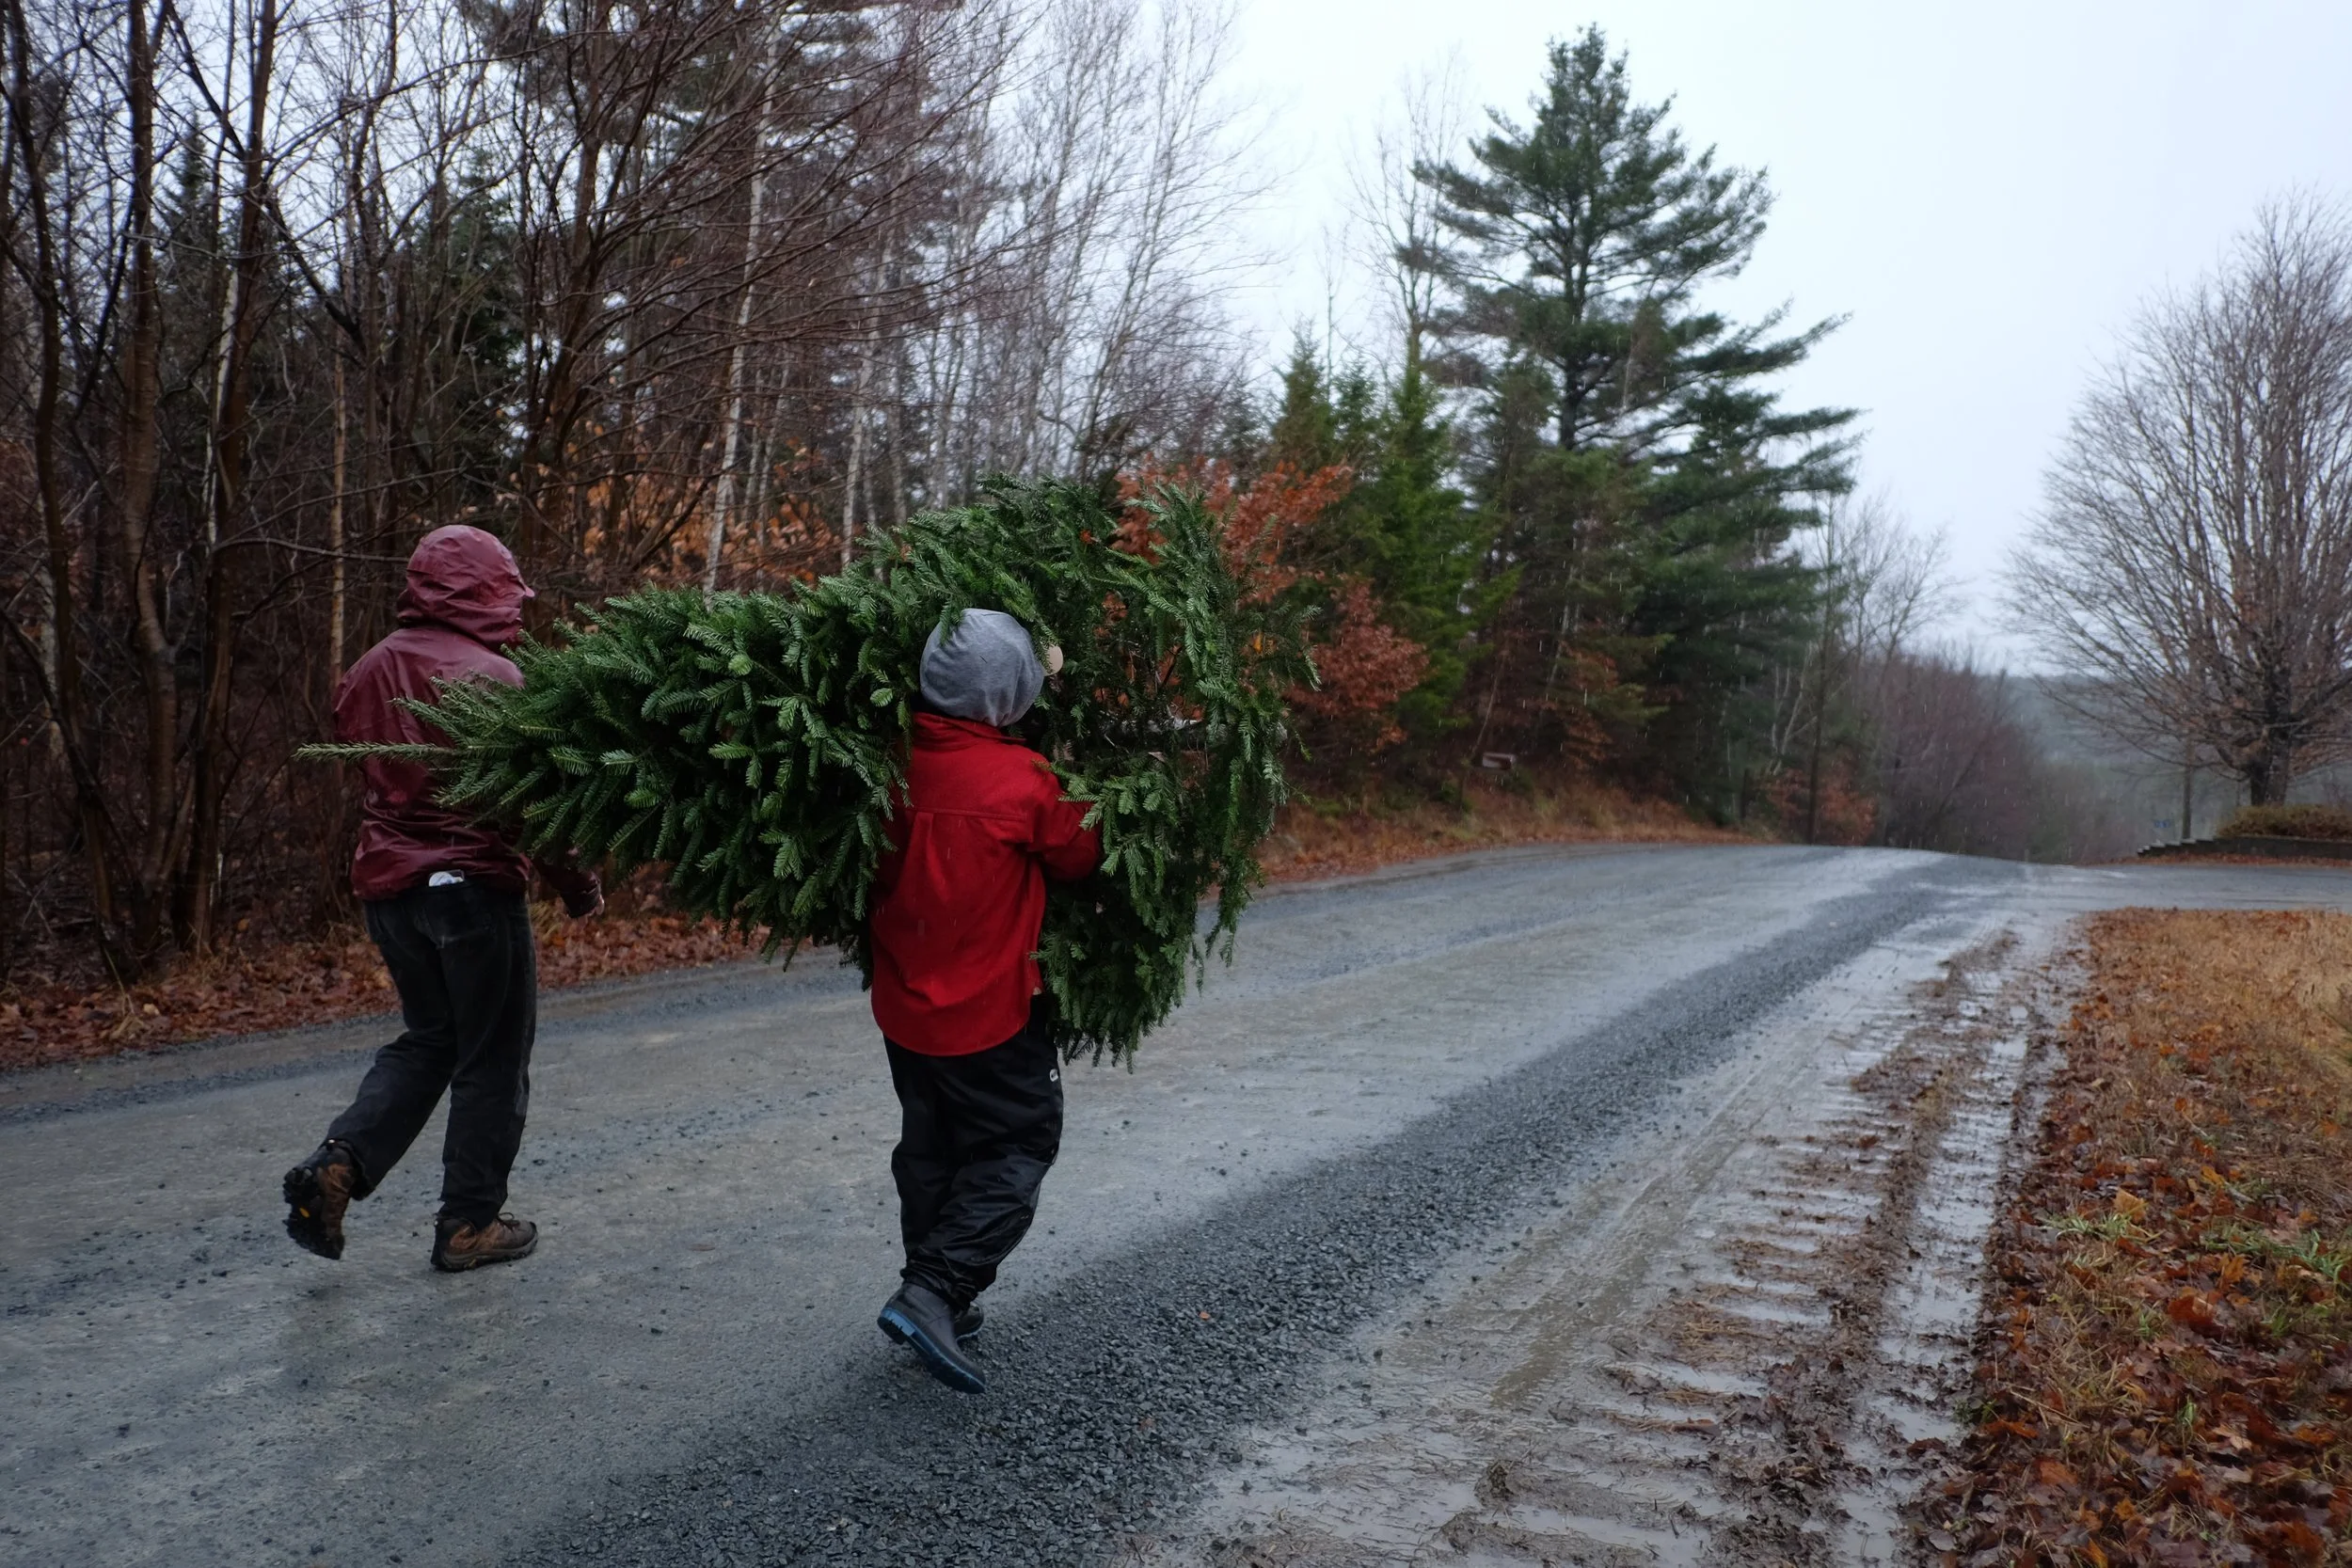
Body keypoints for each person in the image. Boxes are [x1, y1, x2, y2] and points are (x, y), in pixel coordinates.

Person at [281, 525, 602, 1273]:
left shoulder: (368, 669)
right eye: (508, 595)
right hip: (473, 893)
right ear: (484, 594)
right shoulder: (499, 679)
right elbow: (530, 808)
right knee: (494, 1055)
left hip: (390, 892)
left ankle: (340, 1162)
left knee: (431, 1038)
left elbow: (366, 769)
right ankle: (469, 1223)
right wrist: (577, 884)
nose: (517, 610)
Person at [868, 609, 1099, 1393]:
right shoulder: (1022, 780)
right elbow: (1082, 852)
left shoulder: (886, 765)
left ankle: (937, 1293)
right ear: (1007, 697)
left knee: (930, 1147)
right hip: (991, 1016)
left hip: (906, 1011)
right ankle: (935, 1291)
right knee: (1019, 1144)